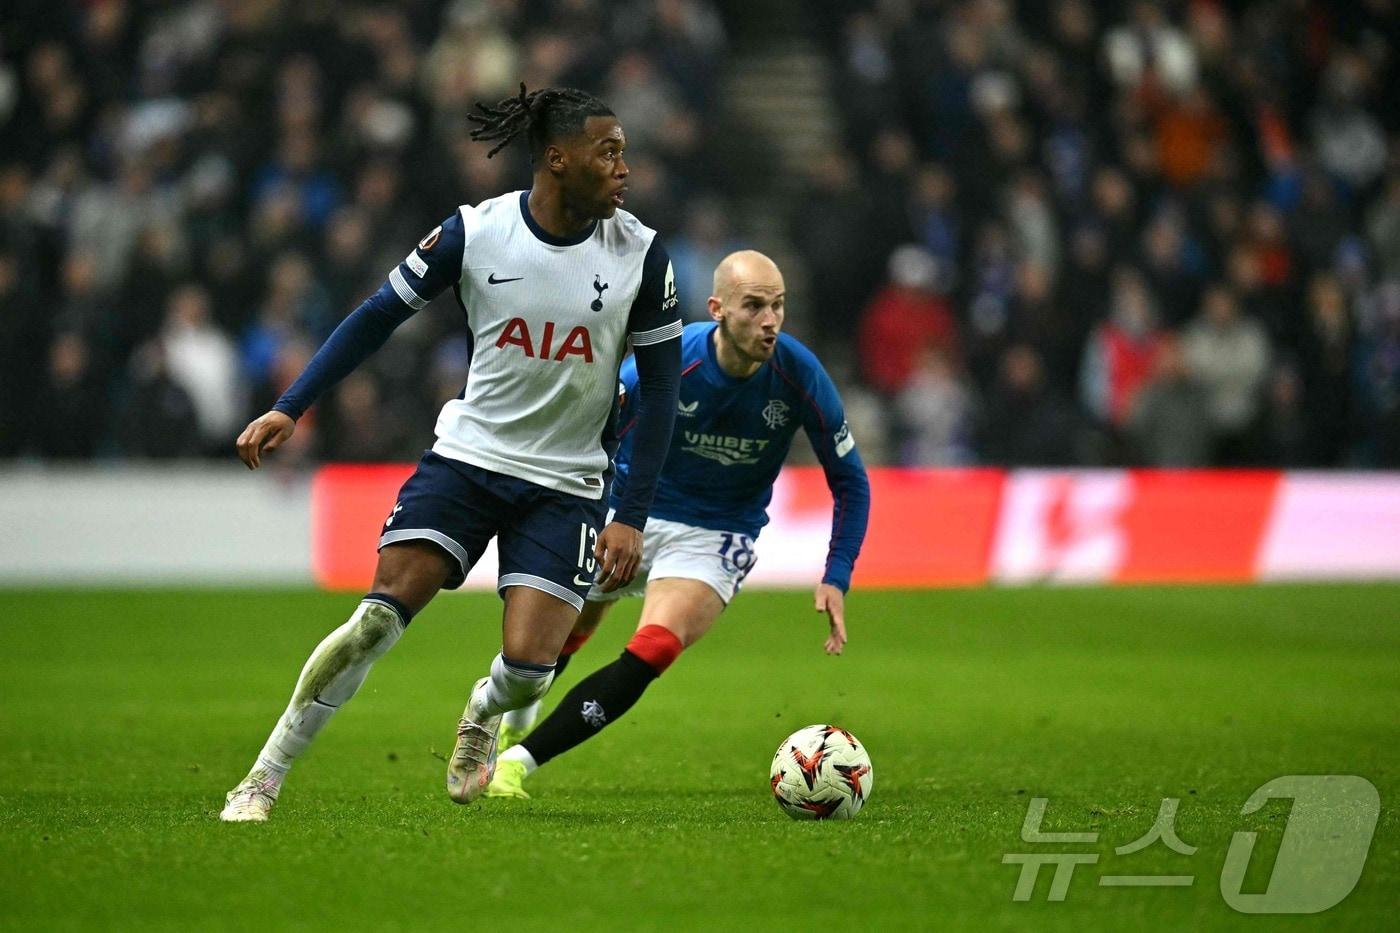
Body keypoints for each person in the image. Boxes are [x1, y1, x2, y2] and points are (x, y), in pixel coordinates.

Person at [219, 85, 683, 822]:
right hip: (468, 461)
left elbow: (660, 395)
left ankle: (482, 709)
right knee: (374, 622)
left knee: (531, 674)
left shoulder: (643, 254)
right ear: (558, 159)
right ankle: (262, 776)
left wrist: (631, 515)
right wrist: (290, 404)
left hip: (566, 483)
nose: (625, 167)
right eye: (610, 151)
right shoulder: (477, 232)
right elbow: (377, 317)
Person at [485, 250, 871, 799]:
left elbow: (851, 482)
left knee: (655, 647)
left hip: (717, 532)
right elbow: (592, 421)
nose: (770, 322)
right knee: (564, 631)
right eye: (754, 306)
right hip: (630, 512)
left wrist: (837, 574)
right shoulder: (674, 360)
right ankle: (520, 708)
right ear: (717, 308)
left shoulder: (799, 373)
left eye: (778, 307)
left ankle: (518, 763)